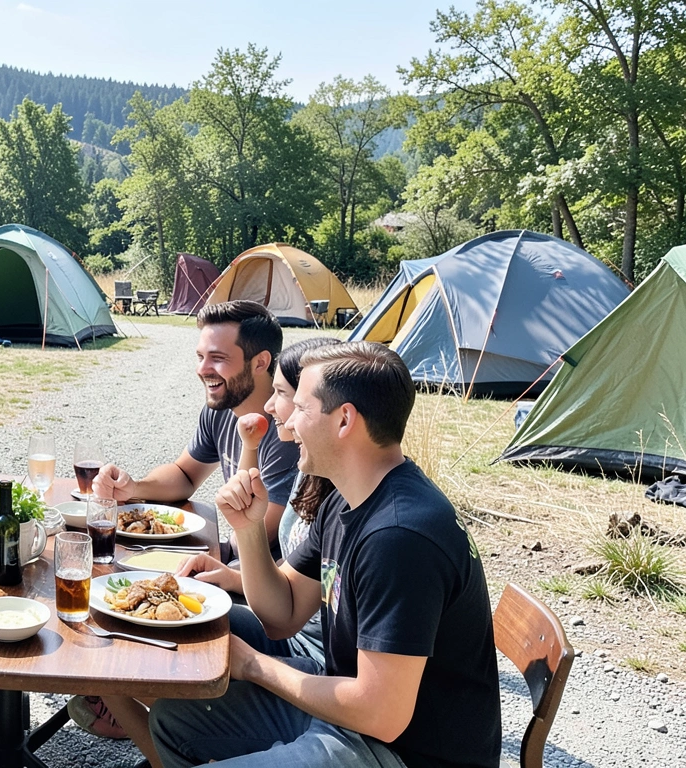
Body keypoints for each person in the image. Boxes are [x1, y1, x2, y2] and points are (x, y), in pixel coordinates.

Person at [149, 342, 502, 768]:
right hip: (350, 709)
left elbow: (381, 715)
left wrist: (255, 667)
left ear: (344, 420)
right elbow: (283, 616)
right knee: (175, 721)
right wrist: (247, 528)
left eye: (301, 408)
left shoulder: (400, 536)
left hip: (401, 751)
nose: (289, 421)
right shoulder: (346, 498)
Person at [97, 337, 342, 768]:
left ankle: (167, 732)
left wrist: (251, 665)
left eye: (289, 399)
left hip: (327, 669)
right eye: (198, 356)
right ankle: (120, 696)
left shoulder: (376, 514)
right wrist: (231, 573)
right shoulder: (320, 475)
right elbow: (293, 588)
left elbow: (382, 711)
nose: (271, 407)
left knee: (172, 675)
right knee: (130, 632)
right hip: (301, 633)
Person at [79, 300, 300, 745]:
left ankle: (136, 703)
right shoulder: (221, 410)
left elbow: (265, 530)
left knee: (125, 606)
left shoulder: (288, 432)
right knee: (114, 583)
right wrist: (133, 487)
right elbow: (183, 475)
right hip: (237, 569)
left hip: (269, 588)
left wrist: (224, 573)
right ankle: (127, 694)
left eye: (217, 358)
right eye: (200, 356)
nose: (203, 369)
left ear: (260, 363)